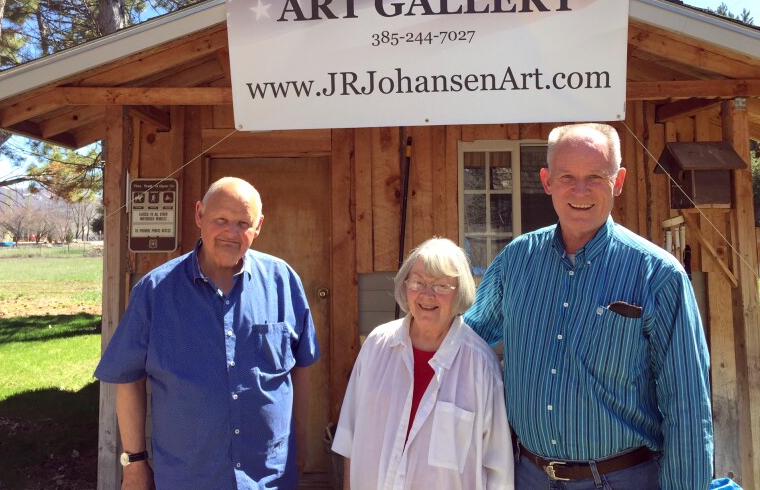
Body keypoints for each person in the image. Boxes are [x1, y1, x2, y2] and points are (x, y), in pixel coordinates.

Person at [464, 123, 713, 489]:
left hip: (623, 478)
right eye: (567, 176)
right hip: (527, 475)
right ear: (547, 181)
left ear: (619, 181)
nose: (580, 190)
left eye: (595, 176)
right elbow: (467, 343)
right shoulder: (516, 261)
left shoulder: (658, 275)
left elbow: (688, 406)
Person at [95, 177, 320, 490]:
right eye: (221, 220)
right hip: (188, 478)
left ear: (259, 226)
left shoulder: (283, 281)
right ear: (199, 215)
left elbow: (301, 367)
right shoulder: (155, 291)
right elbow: (127, 378)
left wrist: (301, 446)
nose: (231, 233)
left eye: (243, 223)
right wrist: (134, 463)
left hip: (268, 478)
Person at [332, 237, 514, 489]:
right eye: (418, 282)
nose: (427, 295)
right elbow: (349, 437)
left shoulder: (480, 364)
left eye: (441, 285)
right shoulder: (377, 345)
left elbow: (498, 469)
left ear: (459, 290)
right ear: (406, 285)